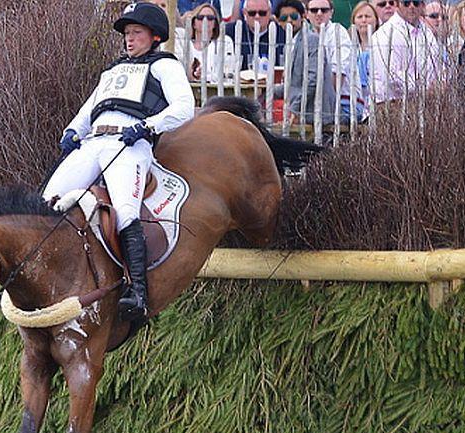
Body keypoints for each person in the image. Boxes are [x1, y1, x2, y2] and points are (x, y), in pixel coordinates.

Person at [42, 2, 194, 323]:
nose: (129, 39)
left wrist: (148, 126)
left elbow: (184, 106)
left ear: (154, 36)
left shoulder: (164, 65)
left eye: (136, 33)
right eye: (127, 33)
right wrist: (72, 130)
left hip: (130, 144)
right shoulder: (113, 69)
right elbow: (91, 107)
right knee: (47, 202)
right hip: (94, 141)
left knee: (125, 210)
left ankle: (137, 291)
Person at [369, 0, 442, 104]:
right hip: (390, 104)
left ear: (422, 6)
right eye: (406, 3)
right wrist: (423, 88)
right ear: (398, 4)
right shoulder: (385, 34)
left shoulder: (427, 33)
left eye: (416, 3)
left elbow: (436, 67)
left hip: (424, 103)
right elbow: (390, 76)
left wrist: (438, 84)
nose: (411, 6)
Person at [306, 0, 363, 119]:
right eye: (314, 10)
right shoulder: (305, 36)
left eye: (324, 10)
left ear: (331, 13)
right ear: (307, 14)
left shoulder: (338, 33)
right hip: (318, 105)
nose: (319, 13)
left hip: (345, 105)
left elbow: (338, 75)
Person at [175, 3, 236, 81]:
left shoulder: (225, 41)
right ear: (193, 23)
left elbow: (227, 72)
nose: (205, 20)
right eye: (200, 17)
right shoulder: (184, 44)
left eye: (210, 18)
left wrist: (202, 76)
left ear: (215, 23)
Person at [225, 0, 288, 68]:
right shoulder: (230, 31)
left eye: (262, 13)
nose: (257, 17)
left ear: (270, 12)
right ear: (244, 13)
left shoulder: (282, 34)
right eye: (252, 13)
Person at [350, 1, 379, 112]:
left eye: (367, 16)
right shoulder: (350, 47)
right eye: (360, 17)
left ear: (376, 20)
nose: (363, 20)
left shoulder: (381, 45)